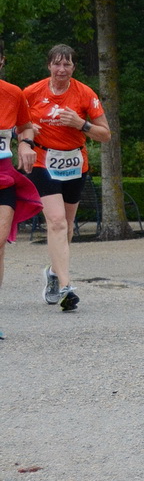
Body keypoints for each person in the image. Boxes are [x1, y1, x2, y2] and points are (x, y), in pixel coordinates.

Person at [23, 45, 112, 312]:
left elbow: (105, 134)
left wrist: (81, 124)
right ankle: (65, 286)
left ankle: (52, 272)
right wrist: (26, 130)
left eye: (67, 65)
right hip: (43, 162)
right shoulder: (31, 93)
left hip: (75, 163)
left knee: (69, 226)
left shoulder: (85, 93)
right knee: (57, 222)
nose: (62, 69)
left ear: (74, 68)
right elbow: (13, 124)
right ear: (49, 65)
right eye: (57, 64)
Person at [0, 43, 45, 337]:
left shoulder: (13, 93)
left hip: (3, 178)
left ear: (1, 60)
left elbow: (26, 127)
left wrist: (25, 143)